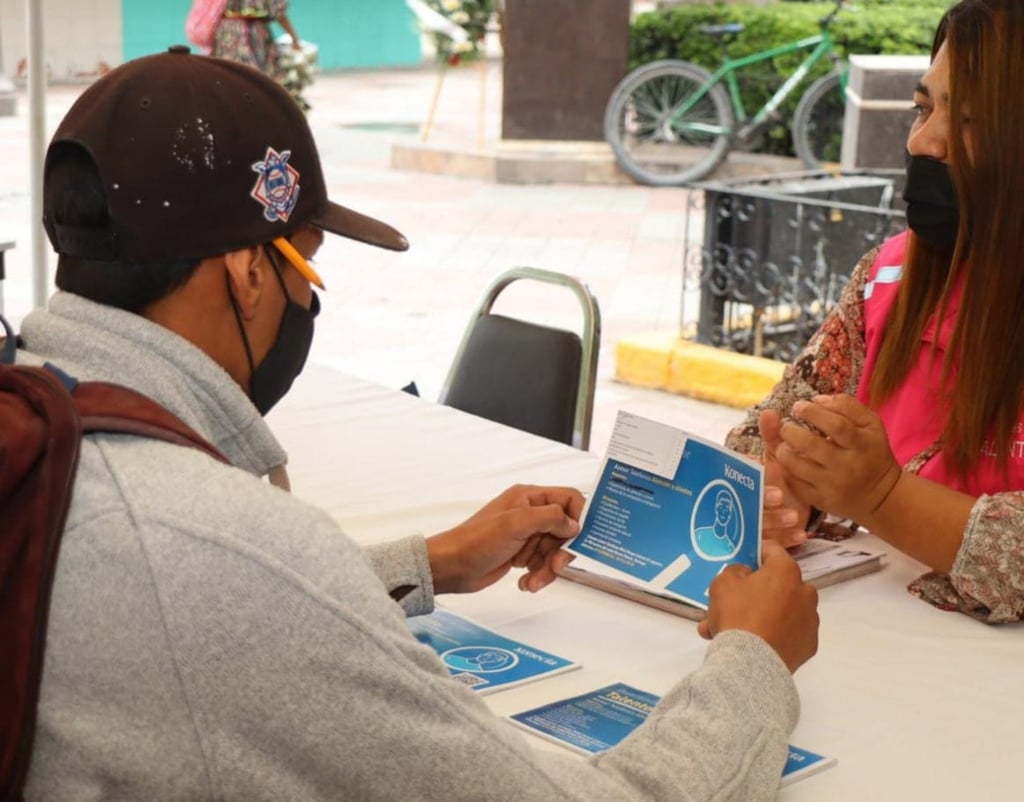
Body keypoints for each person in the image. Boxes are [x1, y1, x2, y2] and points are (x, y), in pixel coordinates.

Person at [21, 48, 818, 800]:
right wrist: (755, 660)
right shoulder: (214, 543)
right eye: (307, 263)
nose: (311, 301)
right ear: (249, 273)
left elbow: (205, 612)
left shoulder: (36, 413)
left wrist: (433, 563)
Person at [725, 0, 1024, 624]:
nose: (922, 140)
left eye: (967, 119)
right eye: (924, 107)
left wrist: (881, 494)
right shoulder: (891, 275)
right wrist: (780, 491)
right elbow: (771, 428)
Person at [212, 0, 305, 105]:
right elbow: (279, 13)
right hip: (254, 35)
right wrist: (294, 38)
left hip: (226, 34)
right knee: (261, 78)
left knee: (228, 75)